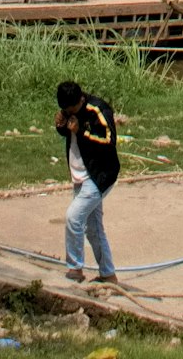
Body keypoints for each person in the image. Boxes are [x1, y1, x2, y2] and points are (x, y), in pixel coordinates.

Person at [54, 79, 119, 287]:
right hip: (79, 175)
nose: (67, 112)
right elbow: (71, 136)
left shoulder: (98, 110)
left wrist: (80, 130)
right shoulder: (68, 111)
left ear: (79, 101)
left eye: (69, 110)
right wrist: (62, 127)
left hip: (99, 176)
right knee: (93, 228)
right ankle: (108, 274)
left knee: (73, 217)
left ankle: (75, 268)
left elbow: (108, 142)